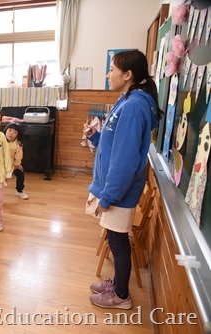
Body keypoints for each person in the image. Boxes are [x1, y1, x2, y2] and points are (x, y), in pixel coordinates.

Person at [85, 50, 161, 310]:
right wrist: (96, 138)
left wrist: (108, 197)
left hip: (118, 192)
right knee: (113, 239)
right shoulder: (127, 100)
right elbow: (115, 145)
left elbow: (125, 160)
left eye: (112, 69)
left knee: (117, 242)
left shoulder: (133, 106)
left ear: (128, 75)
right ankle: (118, 283)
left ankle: (121, 295)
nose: (108, 74)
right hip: (115, 188)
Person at [4, 122, 29, 200]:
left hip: (12, 164)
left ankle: (19, 191)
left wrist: (16, 165)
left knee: (21, 174)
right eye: (10, 130)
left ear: (18, 135)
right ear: (5, 131)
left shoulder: (18, 144)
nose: (11, 134)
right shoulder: (0, 140)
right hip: (1, 165)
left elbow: (18, 156)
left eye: (15, 132)